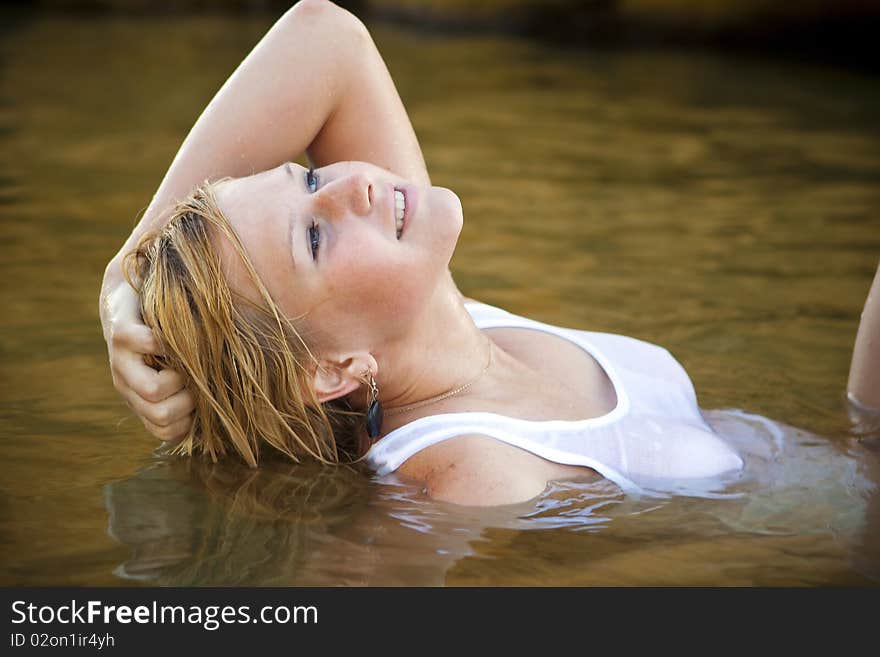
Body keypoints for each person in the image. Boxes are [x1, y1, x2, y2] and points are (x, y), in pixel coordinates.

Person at [100, 0, 880, 507]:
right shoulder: (466, 471)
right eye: (314, 234)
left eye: (307, 175)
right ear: (334, 370)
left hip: (857, 438)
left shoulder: (426, 302)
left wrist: (125, 273)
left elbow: (324, 35)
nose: (352, 186)